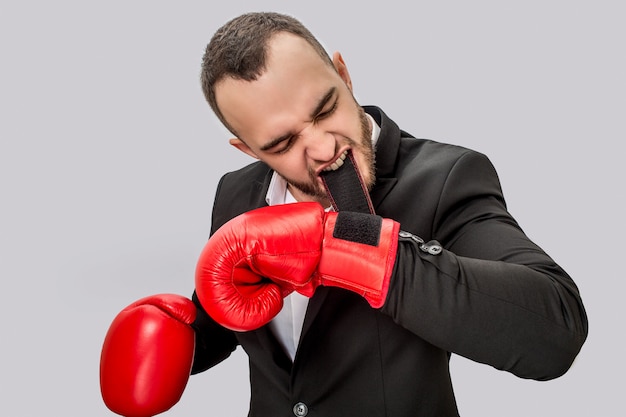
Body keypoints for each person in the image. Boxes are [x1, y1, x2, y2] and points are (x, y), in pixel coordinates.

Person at [100, 12, 588, 417]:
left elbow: (555, 329)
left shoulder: (445, 177)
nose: (324, 147)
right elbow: (234, 314)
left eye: (325, 108)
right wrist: (181, 334)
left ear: (343, 74)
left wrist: (353, 247)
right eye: (282, 143)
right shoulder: (236, 193)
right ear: (246, 148)